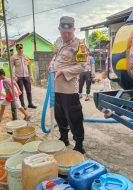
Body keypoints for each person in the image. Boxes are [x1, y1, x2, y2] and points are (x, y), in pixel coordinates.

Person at [50, 16, 86, 154]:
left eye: (69, 32)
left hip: (69, 89)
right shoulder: (58, 41)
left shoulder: (80, 45)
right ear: (59, 29)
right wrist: (51, 65)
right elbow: (55, 56)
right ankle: (64, 138)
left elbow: (82, 66)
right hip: (56, 87)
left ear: (74, 30)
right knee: (59, 115)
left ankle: (79, 144)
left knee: (74, 117)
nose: (65, 35)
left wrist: (62, 71)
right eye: (63, 32)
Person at [11, 44, 37, 109]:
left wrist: (31, 75)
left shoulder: (26, 57)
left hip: (26, 76)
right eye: (19, 48)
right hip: (18, 77)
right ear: (16, 49)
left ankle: (30, 104)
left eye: (21, 48)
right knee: (21, 91)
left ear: (23, 48)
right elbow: (11, 68)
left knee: (29, 91)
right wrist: (13, 76)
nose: (20, 49)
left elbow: (29, 67)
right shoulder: (13, 57)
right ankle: (22, 105)